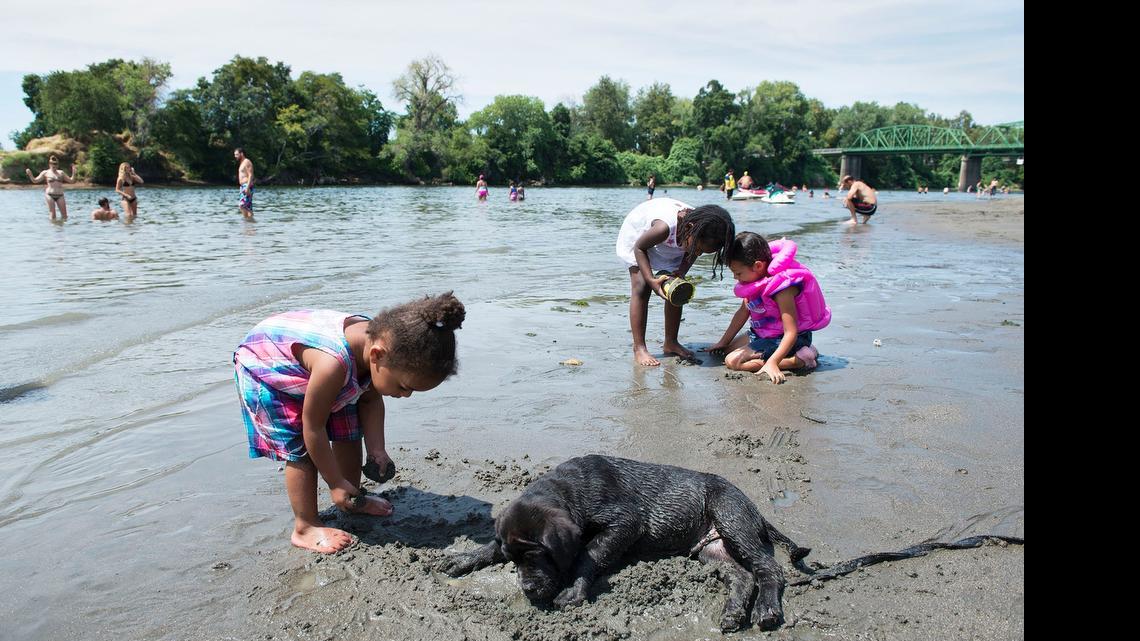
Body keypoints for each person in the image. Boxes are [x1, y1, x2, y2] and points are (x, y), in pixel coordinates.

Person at [233, 293, 466, 554]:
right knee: (301, 450)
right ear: (377, 355)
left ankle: (351, 497)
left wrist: (377, 450)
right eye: (403, 387)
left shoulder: (381, 347)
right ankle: (305, 526)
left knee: (349, 430)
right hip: (269, 369)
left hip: (319, 370)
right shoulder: (333, 365)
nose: (405, 395)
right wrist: (334, 482)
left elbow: (370, 401)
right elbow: (314, 427)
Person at [615, 198, 735, 366]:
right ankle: (639, 347)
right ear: (689, 229)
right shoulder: (664, 227)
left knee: (677, 288)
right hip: (639, 236)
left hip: (676, 240)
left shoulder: (700, 228)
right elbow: (639, 248)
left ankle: (671, 342)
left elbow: (691, 253)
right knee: (641, 287)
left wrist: (681, 271)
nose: (698, 254)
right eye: (699, 249)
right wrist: (651, 280)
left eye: (703, 252)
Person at [705, 232, 830, 384]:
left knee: (733, 361)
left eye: (738, 273)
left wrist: (773, 363)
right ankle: (807, 351)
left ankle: (800, 360)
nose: (735, 278)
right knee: (727, 351)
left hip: (788, 337)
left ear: (758, 265)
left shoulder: (782, 289)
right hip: (763, 333)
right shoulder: (755, 281)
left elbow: (791, 331)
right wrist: (723, 342)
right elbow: (743, 312)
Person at [26, 155, 77, 220]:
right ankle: (52, 229)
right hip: (50, 195)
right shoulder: (45, 172)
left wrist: (74, 173)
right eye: (52, 163)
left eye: (55, 164)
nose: (54, 165)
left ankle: (62, 229)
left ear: (58, 165)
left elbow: (71, 181)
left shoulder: (61, 172)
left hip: (60, 195)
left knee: (65, 216)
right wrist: (30, 174)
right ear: (49, 164)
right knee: (53, 215)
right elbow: (35, 181)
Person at [234, 148, 254, 219]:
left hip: (246, 186)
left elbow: (250, 175)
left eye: (236, 154)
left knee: (242, 205)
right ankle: (250, 224)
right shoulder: (242, 163)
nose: (235, 156)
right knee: (248, 207)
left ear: (241, 154)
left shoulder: (247, 162)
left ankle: (247, 221)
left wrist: (247, 188)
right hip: (243, 186)